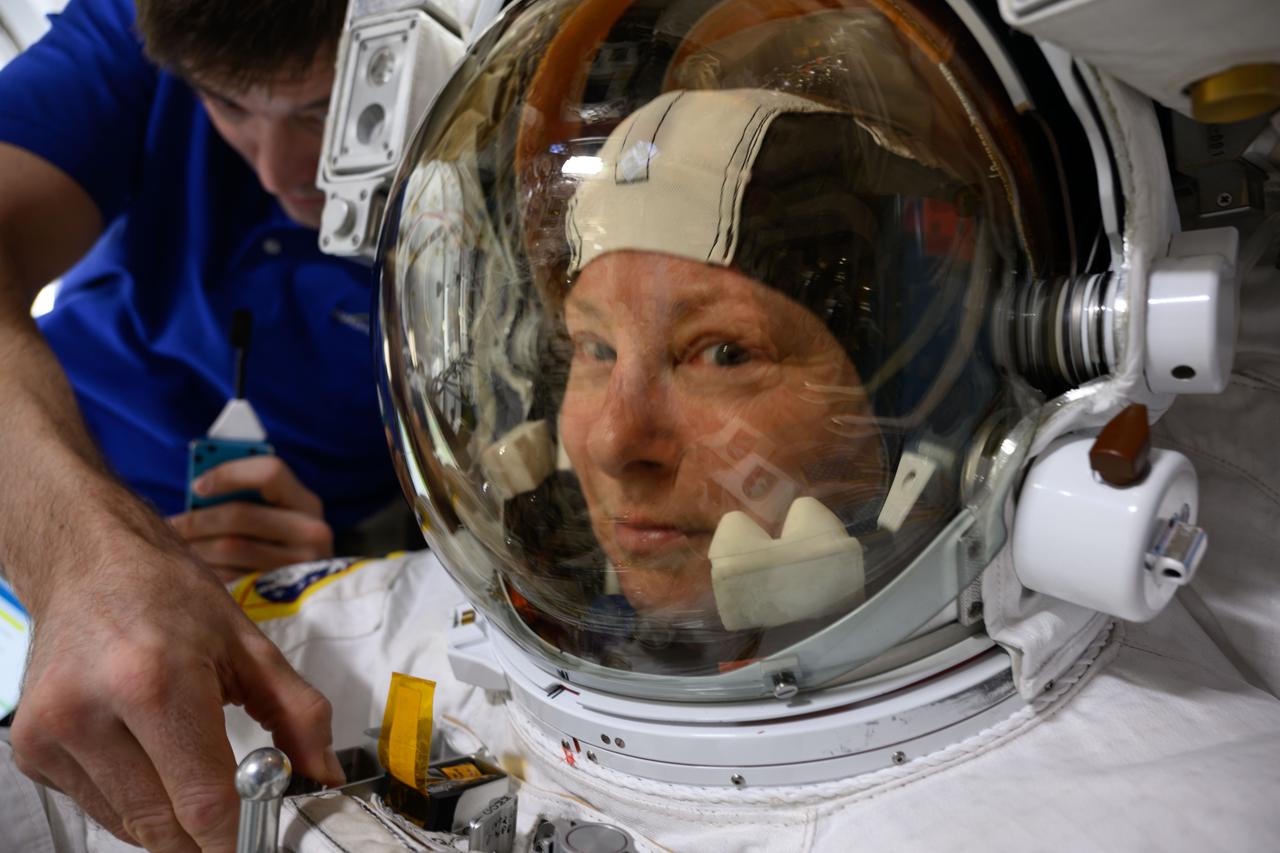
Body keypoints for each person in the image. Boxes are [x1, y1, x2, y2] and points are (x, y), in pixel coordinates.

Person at [5, 0, 1280, 851]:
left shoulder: (1176, 801)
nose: (609, 442)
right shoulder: (338, 647)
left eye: (720, 352)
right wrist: (92, 563)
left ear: (927, 409)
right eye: (589, 350)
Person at [0, 0, 454, 849]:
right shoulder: (134, 30)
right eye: (227, 104)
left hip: (285, 578)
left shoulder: (500, 134)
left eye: (324, 110)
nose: (278, 169)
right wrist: (87, 556)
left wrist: (331, 562)